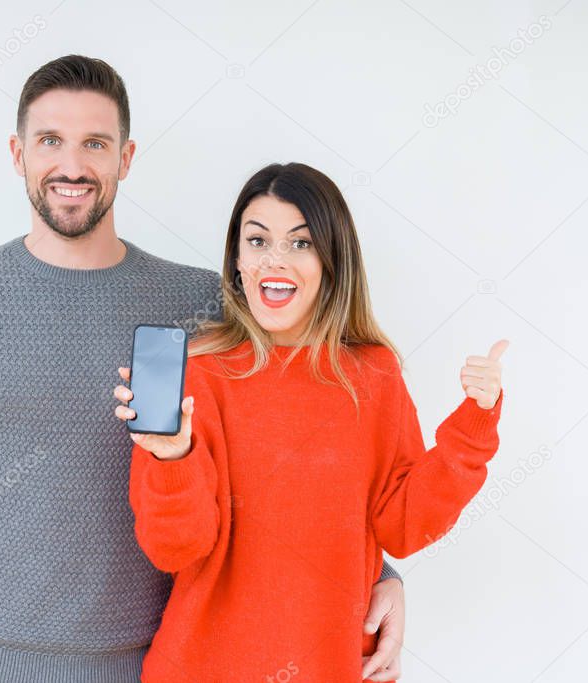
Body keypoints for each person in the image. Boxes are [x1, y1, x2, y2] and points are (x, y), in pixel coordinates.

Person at [0, 55, 407, 683]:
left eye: (95, 143)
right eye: (50, 141)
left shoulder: (203, 304)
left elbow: (285, 462)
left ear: (126, 157)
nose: (72, 165)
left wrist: (383, 576)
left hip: (153, 666)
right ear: (17, 153)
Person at [113, 161, 508, 681]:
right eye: (257, 242)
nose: (275, 260)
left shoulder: (371, 373)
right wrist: (172, 458)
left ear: (331, 259)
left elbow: (404, 526)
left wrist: (472, 430)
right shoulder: (198, 373)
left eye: (300, 243)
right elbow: (174, 549)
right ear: (236, 260)